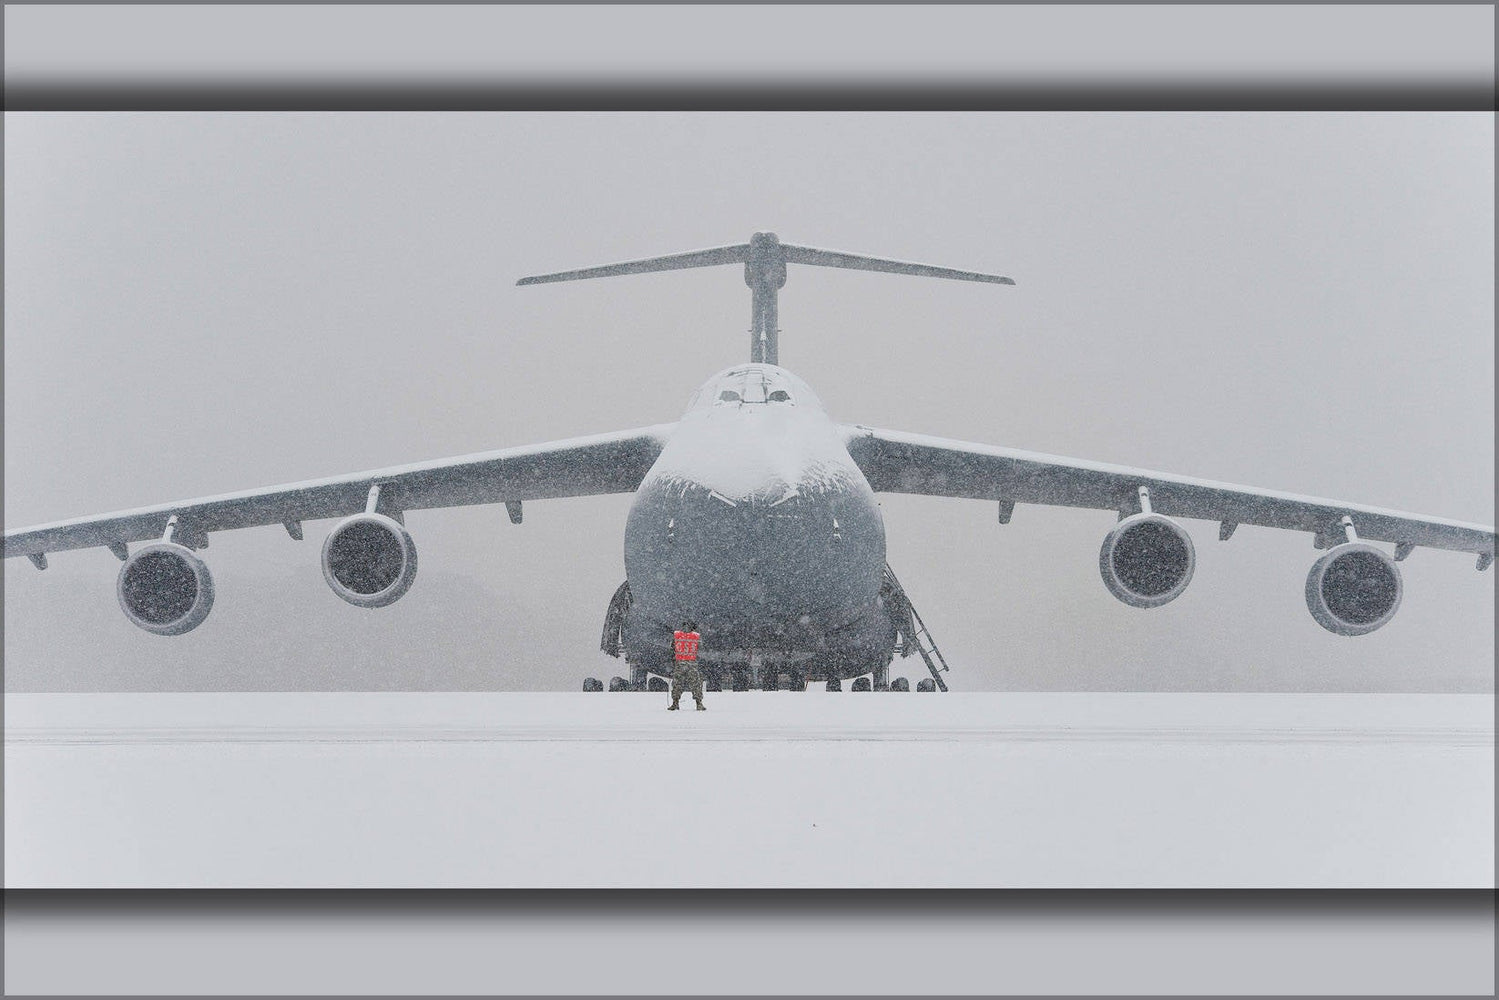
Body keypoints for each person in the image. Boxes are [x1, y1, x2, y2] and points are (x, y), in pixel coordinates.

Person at [669, 622, 705, 711]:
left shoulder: (677, 635)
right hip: (692, 663)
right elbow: (700, 648)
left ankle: (675, 703)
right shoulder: (696, 636)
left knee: (677, 684)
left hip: (680, 663)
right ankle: (699, 703)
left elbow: (672, 647)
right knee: (695, 684)